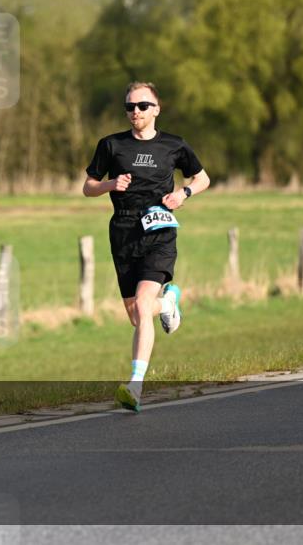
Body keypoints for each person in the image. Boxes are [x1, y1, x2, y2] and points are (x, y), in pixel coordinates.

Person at [82, 82, 210, 412]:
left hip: (159, 228)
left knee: (141, 304)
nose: (135, 112)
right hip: (123, 231)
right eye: (129, 107)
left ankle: (135, 386)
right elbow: (88, 187)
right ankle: (167, 303)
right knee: (137, 315)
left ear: (156, 109)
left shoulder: (174, 145)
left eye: (141, 105)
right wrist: (111, 183)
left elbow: (202, 178)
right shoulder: (111, 145)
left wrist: (184, 194)